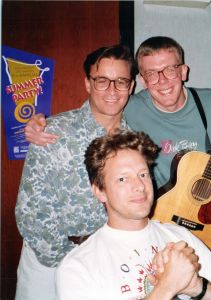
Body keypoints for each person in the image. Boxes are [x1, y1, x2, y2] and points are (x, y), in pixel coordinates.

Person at [24, 36, 211, 288]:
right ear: (140, 81)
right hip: (154, 224)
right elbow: (99, 105)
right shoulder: (125, 109)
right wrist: (40, 125)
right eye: (152, 73)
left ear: (183, 71)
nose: (162, 80)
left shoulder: (202, 103)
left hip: (199, 216)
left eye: (170, 69)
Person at [56, 130, 211, 300]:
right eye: (123, 179)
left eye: (143, 174)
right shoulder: (78, 266)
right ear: (99, 191)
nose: (139, 186)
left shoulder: (180, 236)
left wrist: (196, 287)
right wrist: (167, 286)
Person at [15, 45, 135, 300]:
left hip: (104, 261)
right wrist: (68, 259)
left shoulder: (133, 142)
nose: (112, 90)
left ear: (131, 87)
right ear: (88, 84)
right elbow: (30, 212)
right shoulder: (53, 132)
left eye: (121, 81)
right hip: (46, 261)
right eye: (102, 80)